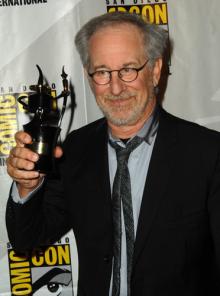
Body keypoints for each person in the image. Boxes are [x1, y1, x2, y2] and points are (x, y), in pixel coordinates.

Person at [5, 12, 220, 296]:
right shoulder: (75, 149)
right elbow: (26, 240)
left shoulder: (207, 153)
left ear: (155, 70)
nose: (116, 87)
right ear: (88, 75)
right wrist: (27, 186)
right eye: (103, 72)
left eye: (128, 69)